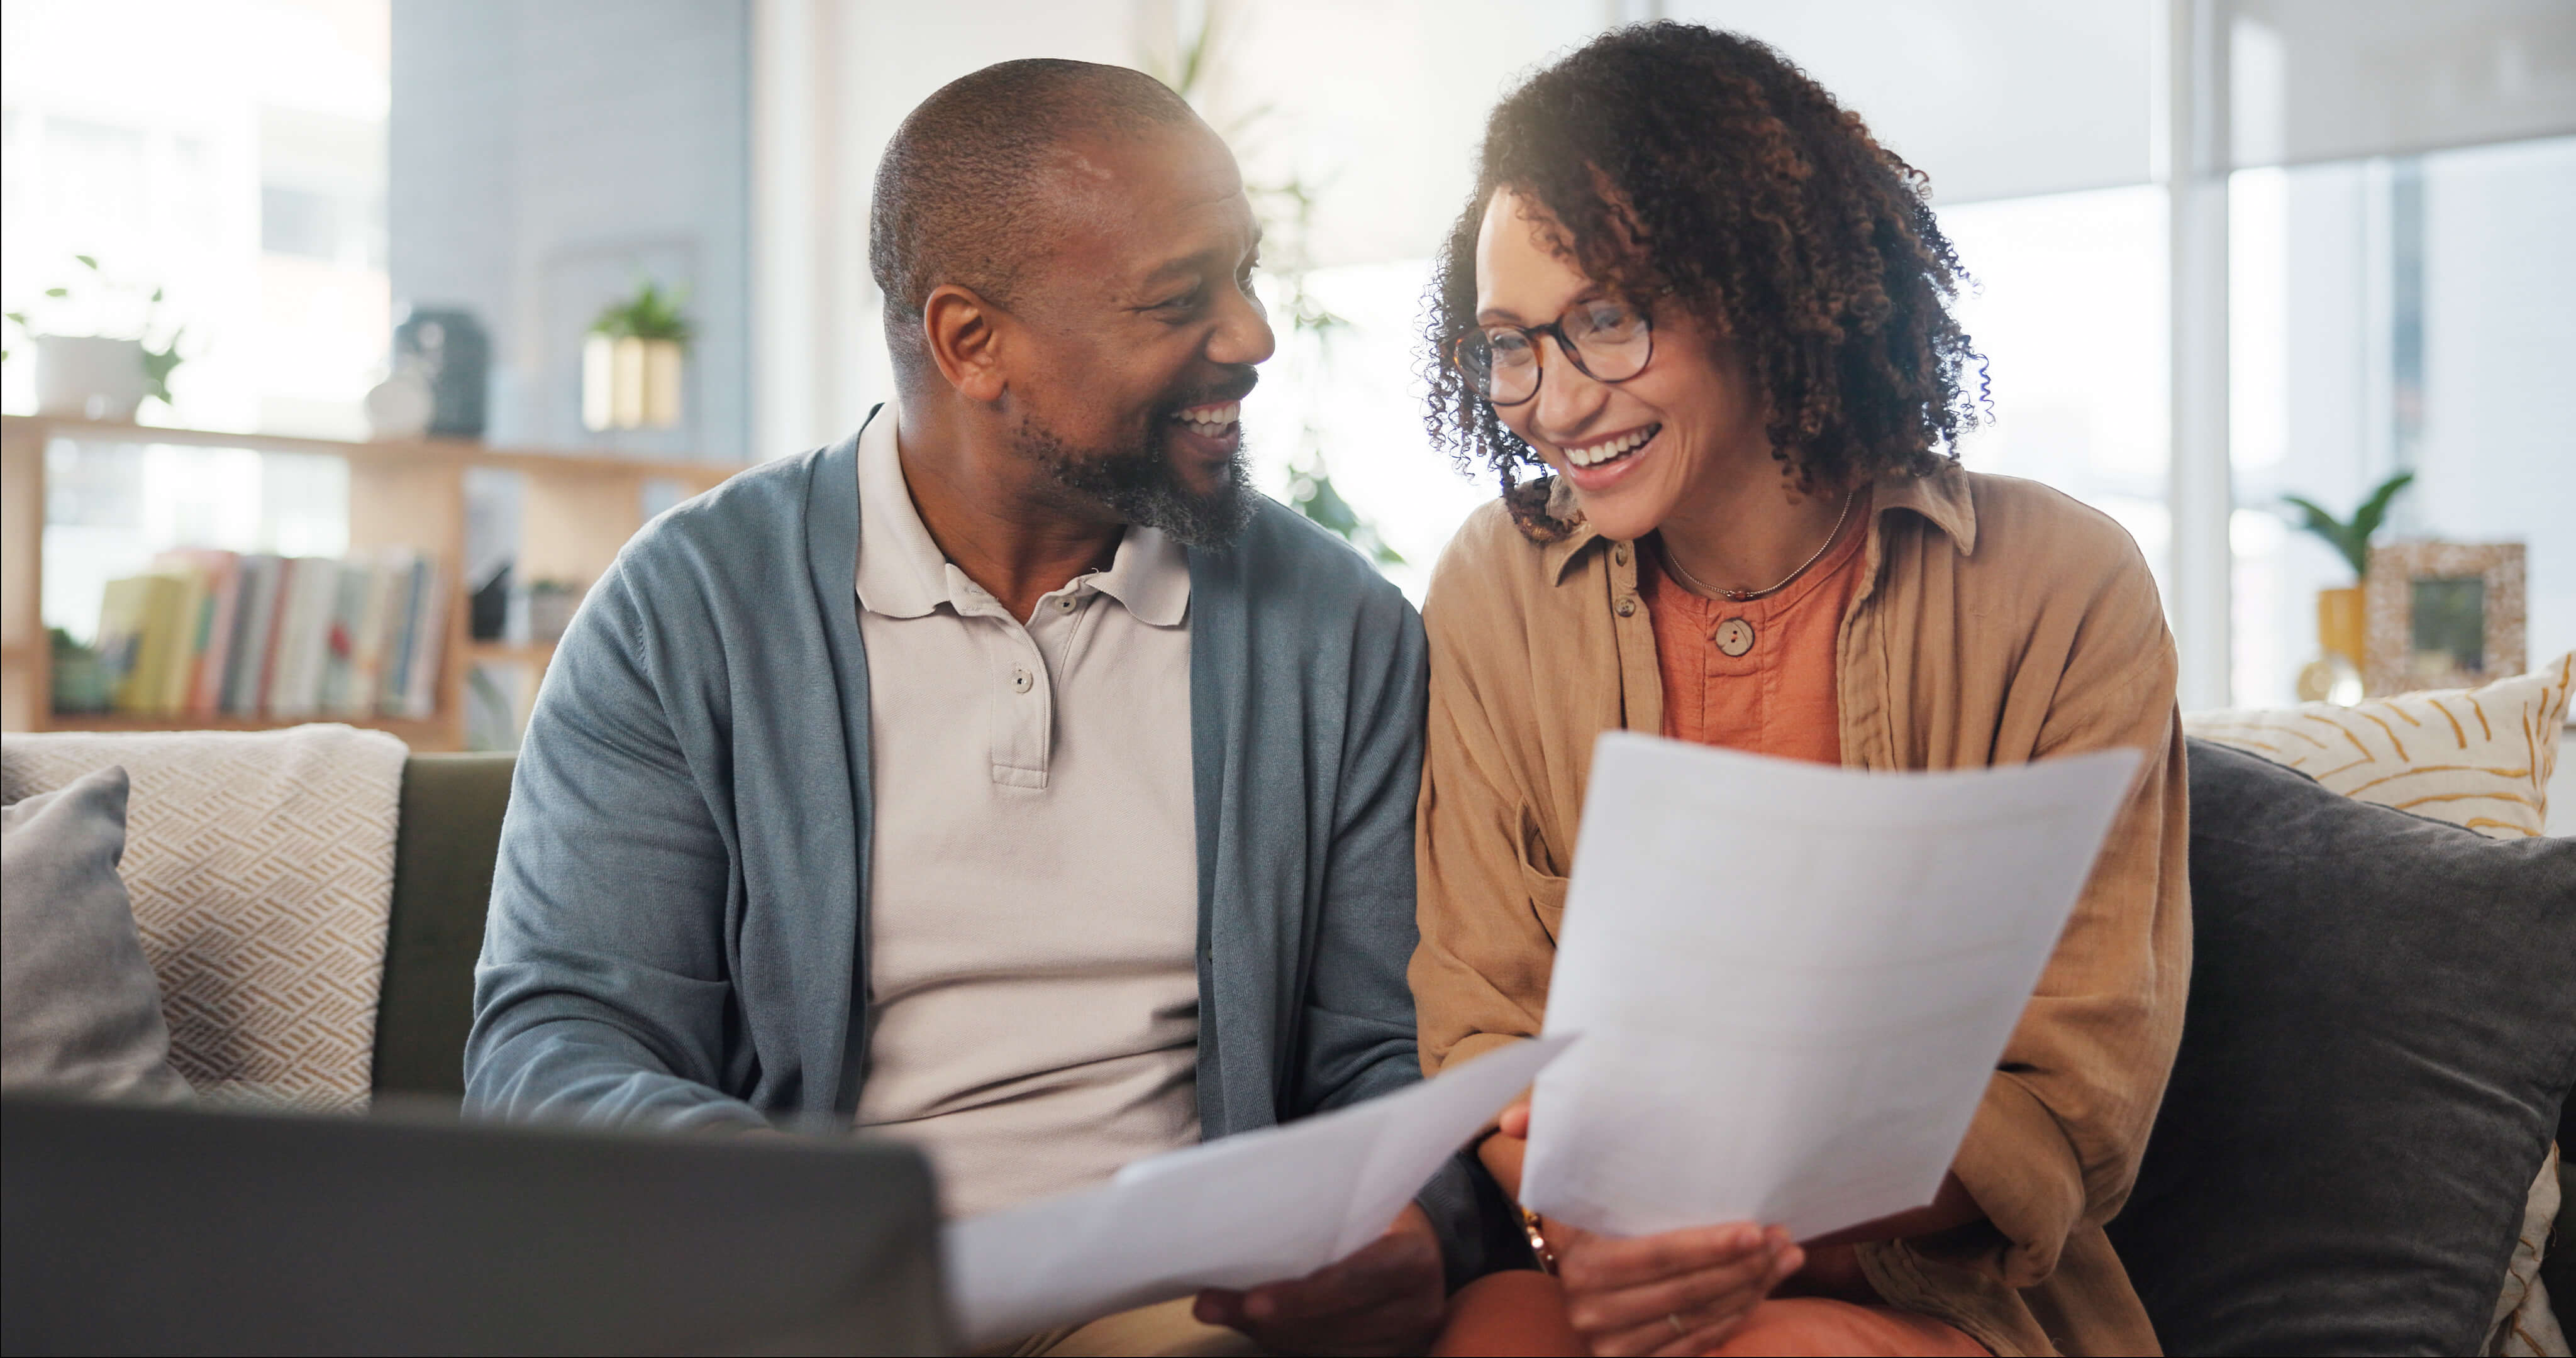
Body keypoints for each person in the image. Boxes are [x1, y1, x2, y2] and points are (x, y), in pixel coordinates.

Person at [467, 59, 1511, 1357]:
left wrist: (1408, 1220)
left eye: (1243, 274)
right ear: (972, 343)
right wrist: (811, 1223)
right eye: (1178, 300)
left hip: (1175, 1319)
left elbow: (1389, 1058)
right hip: (813, 1301)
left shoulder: (1334, 631)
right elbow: (558, 1042)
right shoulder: (688, 612)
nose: (1250, 335)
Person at [1409, 24, 2188, 1358]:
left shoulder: (2062, 583)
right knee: (1494, 1335)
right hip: (1596, 1269)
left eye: (1602, 318)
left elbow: (2076, 1109)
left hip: (1937, 1291)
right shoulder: (1494, 584)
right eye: (1509, 344)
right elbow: (1479, 1015)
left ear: (1757, 286)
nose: (1547, 400)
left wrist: (1730, 1244)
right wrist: (1582, 1225)